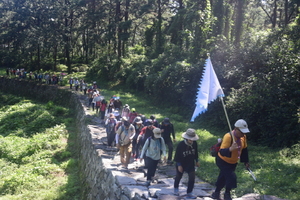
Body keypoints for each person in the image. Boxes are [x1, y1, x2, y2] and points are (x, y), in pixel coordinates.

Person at [211, 119, 250, 200]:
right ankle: (227, 195)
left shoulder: (243, 137)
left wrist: (246, 161)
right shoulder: (228, 136)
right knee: (231, 177)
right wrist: (230, 149)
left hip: (233, 162)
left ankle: (216, 193)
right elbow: (222, 151)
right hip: (222, 161)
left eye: (244, 132)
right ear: (236, 129)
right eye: (241, 132)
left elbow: (245, 149)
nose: (243, 134)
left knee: (223, 176)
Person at [173, 128, 200, 199]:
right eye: (190, 139)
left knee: (192, 177)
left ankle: (189, 191)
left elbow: (196, 153)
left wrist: (197, 161)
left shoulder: (194, 143)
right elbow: (177, 156)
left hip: (190, 162)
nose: (191, 141)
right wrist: (179, 165)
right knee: (179, 176)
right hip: (181, 162)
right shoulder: (181, 145)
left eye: (192, 139)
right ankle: (176, 187)